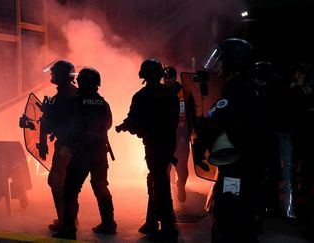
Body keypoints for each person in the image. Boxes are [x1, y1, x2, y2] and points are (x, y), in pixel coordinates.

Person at [192, 38, 273, 243]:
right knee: (245, 215)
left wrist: (200, 137)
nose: (217, 64)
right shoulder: (252, 85)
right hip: (252, 164)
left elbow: (215, 118)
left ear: (233, 61)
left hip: (236, 167)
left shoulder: (237, 88)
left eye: (221, 59)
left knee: (229, 213)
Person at [116, 59, 180, 241]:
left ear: (143, 76)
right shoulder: (170, 94)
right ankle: (151, 222)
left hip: (154, 144)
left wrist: (126, 126)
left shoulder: (141, 96)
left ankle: (167, 227)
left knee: (159, 182)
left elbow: (134, 121)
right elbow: (174, 121)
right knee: (156, 179)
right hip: (168, 143)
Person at [52, 67, 116, 240]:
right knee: (101, 187)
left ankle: (68, 229)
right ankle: (109, 224)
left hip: (81, 154)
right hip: (100, 153)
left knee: (70, 191)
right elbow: (108, 124)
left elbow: (71, 128)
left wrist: (67, 145)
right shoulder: (103, 103)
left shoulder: (76, 103)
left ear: (83, 82)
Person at [19, 60, 77, 231]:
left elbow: (50, 122)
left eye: (54, 72)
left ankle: (65, 222)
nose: (51, 75)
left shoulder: (63, 97)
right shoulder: (72, 94)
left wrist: (43, 140)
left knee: (56, 182)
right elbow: (51, 121)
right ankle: (67, 219)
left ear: (61, 75)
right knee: (65, 183)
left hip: (67, 146)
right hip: (73, 146)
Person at [163, 66, 190, 203]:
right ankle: (166, 197)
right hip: (164, 137)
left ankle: (181, 185)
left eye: (170, 77)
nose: (167, 80)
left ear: (175, 78)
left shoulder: (183, 93)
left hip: (180, 136)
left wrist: (184, 137)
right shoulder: (160, 92)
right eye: (165, 78)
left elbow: (186, 117)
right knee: (164, 170)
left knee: (182, 168)